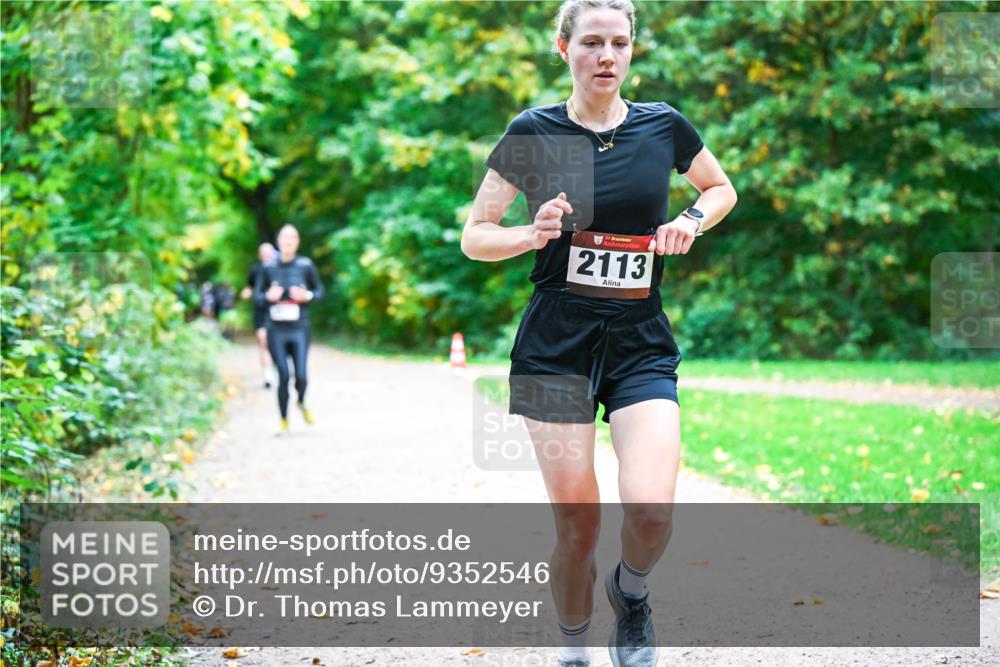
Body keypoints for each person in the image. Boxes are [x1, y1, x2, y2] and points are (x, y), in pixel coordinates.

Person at [461, 2, 738, 666]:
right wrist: (533, 232)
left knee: (650, 510)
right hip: (555, 340)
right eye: (591, 42)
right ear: (563, 48)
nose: (607, 55)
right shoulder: (534, 131)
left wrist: (691, 219)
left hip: (640, 338)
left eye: (619, 42)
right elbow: (475, 236)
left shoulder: (662, 126)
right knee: (579, 524)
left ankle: (632, 594)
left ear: (632, 50)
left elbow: (720, 187)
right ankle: (573, 646)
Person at [254, 225, 325, 434]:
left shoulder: (306, 265)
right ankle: (284, 419)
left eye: (292, 238)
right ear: (278, 241)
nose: (288, 241)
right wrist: (268, 297)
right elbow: (257, 297)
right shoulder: (267, 267)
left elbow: (320, 291)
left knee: (301, 375)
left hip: (300, 329)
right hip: (276, 330)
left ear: (297, 242)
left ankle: (301, 401)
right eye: (284, 237)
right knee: (283, 375)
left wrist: (307, 296)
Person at [241, 242, 278, 388]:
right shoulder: (255, 269)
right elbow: (250, 285)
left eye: (268, 252)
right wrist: (247, 292)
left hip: (277, 310)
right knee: (263, 341)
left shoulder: (279, 268)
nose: (266, 255)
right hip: (260, 309)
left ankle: (280, 367)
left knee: (276, 342)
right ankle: (268, 374)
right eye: (263, 253)